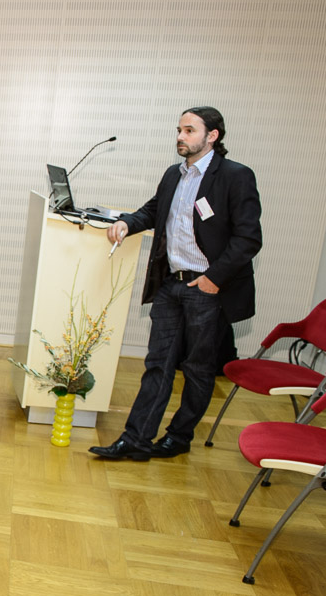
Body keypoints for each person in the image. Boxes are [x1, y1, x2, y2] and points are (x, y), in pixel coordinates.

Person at [90, 106, 263, 461]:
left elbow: (248, 239)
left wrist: (214, 279)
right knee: (158, 363)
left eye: (189, 130)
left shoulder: (235, 176)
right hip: (170, 284)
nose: (180, 137)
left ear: (212, 136)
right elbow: (154, 211)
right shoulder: (174, 174)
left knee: (197, 368)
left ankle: (179, 436)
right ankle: (136, 440)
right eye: (179, 130)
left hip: (207, 289)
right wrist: (126, 223)